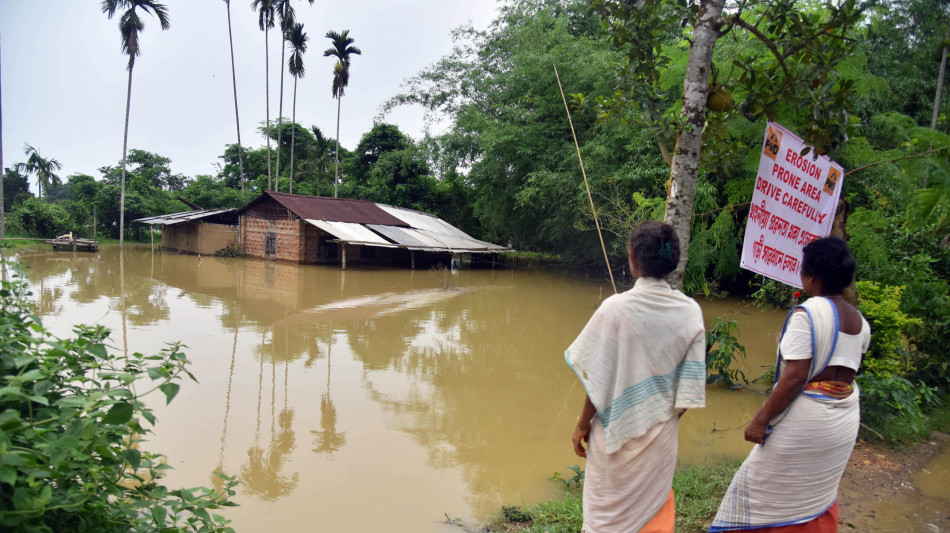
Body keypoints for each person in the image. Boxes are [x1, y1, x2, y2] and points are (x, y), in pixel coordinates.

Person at [710, 237, 871, 532]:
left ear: (812, 276)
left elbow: (796, 376)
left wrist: (760, 420)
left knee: (755, 488)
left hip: (808, 421)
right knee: (814, 488)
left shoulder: (806, 314)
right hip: (843, 420)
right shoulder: (860, 322)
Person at [566, 221, 706, 533]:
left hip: (613, 434)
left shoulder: (614, 309)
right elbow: (687, 396)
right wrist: (657, 417)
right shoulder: (691, 312)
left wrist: (581, 424)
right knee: (651, 515)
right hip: (661, 438)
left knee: (606, 520)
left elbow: (597, 380)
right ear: (673, 263)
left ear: (632, 258)